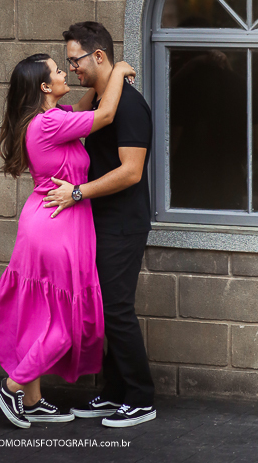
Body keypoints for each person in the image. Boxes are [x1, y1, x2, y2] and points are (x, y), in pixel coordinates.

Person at [0, 52, 136, 429]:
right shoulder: (52, 123)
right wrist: (118, 69)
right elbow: (103, 117)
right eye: (58, 70)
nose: (65, 71)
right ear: (44, 86)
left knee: (40, 314)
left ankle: (34, 400)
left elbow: (86, 107)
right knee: (65, 323)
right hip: (58, 225)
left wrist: (103, 83)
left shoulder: (47, 119)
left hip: (45, 221)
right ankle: (13, 386)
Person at [44, 21, 155, 429]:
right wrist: (118, 71)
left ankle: (141, 397)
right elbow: (89, 109)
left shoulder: (129, 106)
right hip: (103, 222)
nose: (72, 69)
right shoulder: (105, 100)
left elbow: (131, 172)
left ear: (99, 56)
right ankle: (114, 393)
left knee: (117, 311)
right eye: (69, 63)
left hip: (124, 224)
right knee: (106, 311)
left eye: (76, 61)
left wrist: (77, 192)